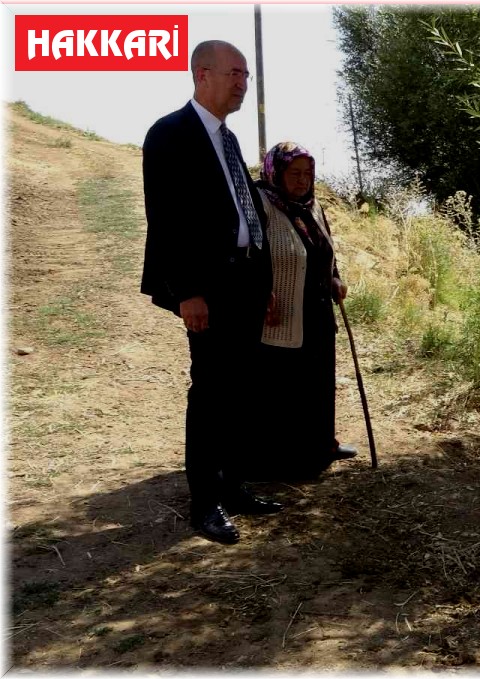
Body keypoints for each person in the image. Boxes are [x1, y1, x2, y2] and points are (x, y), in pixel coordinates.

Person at [140, 40, 283, 545]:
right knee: (211, 392)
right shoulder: (170, 134)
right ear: (202, 74)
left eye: (246, 74)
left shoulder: (229, 138)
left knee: (242, 389)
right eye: (235, 73)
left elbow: (246, 214)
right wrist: (188, 292)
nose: (243, 83)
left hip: (245, 283)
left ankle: (233, 485)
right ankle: (205, 503)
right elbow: (167, 222)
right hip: (209, 289)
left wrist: (263, 283)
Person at [243, 141, 358, 481]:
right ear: (275, 172)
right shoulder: (259, 201)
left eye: (307, 174)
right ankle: (278, 460)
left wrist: (335, 278)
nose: (302, 181)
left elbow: (325, 249)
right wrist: (259, 294)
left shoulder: (312, 205)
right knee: (281, 387)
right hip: (280, 310)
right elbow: (250, 253)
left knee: (318, 381)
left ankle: (322, 445)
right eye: (294, 173)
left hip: (318, 308)